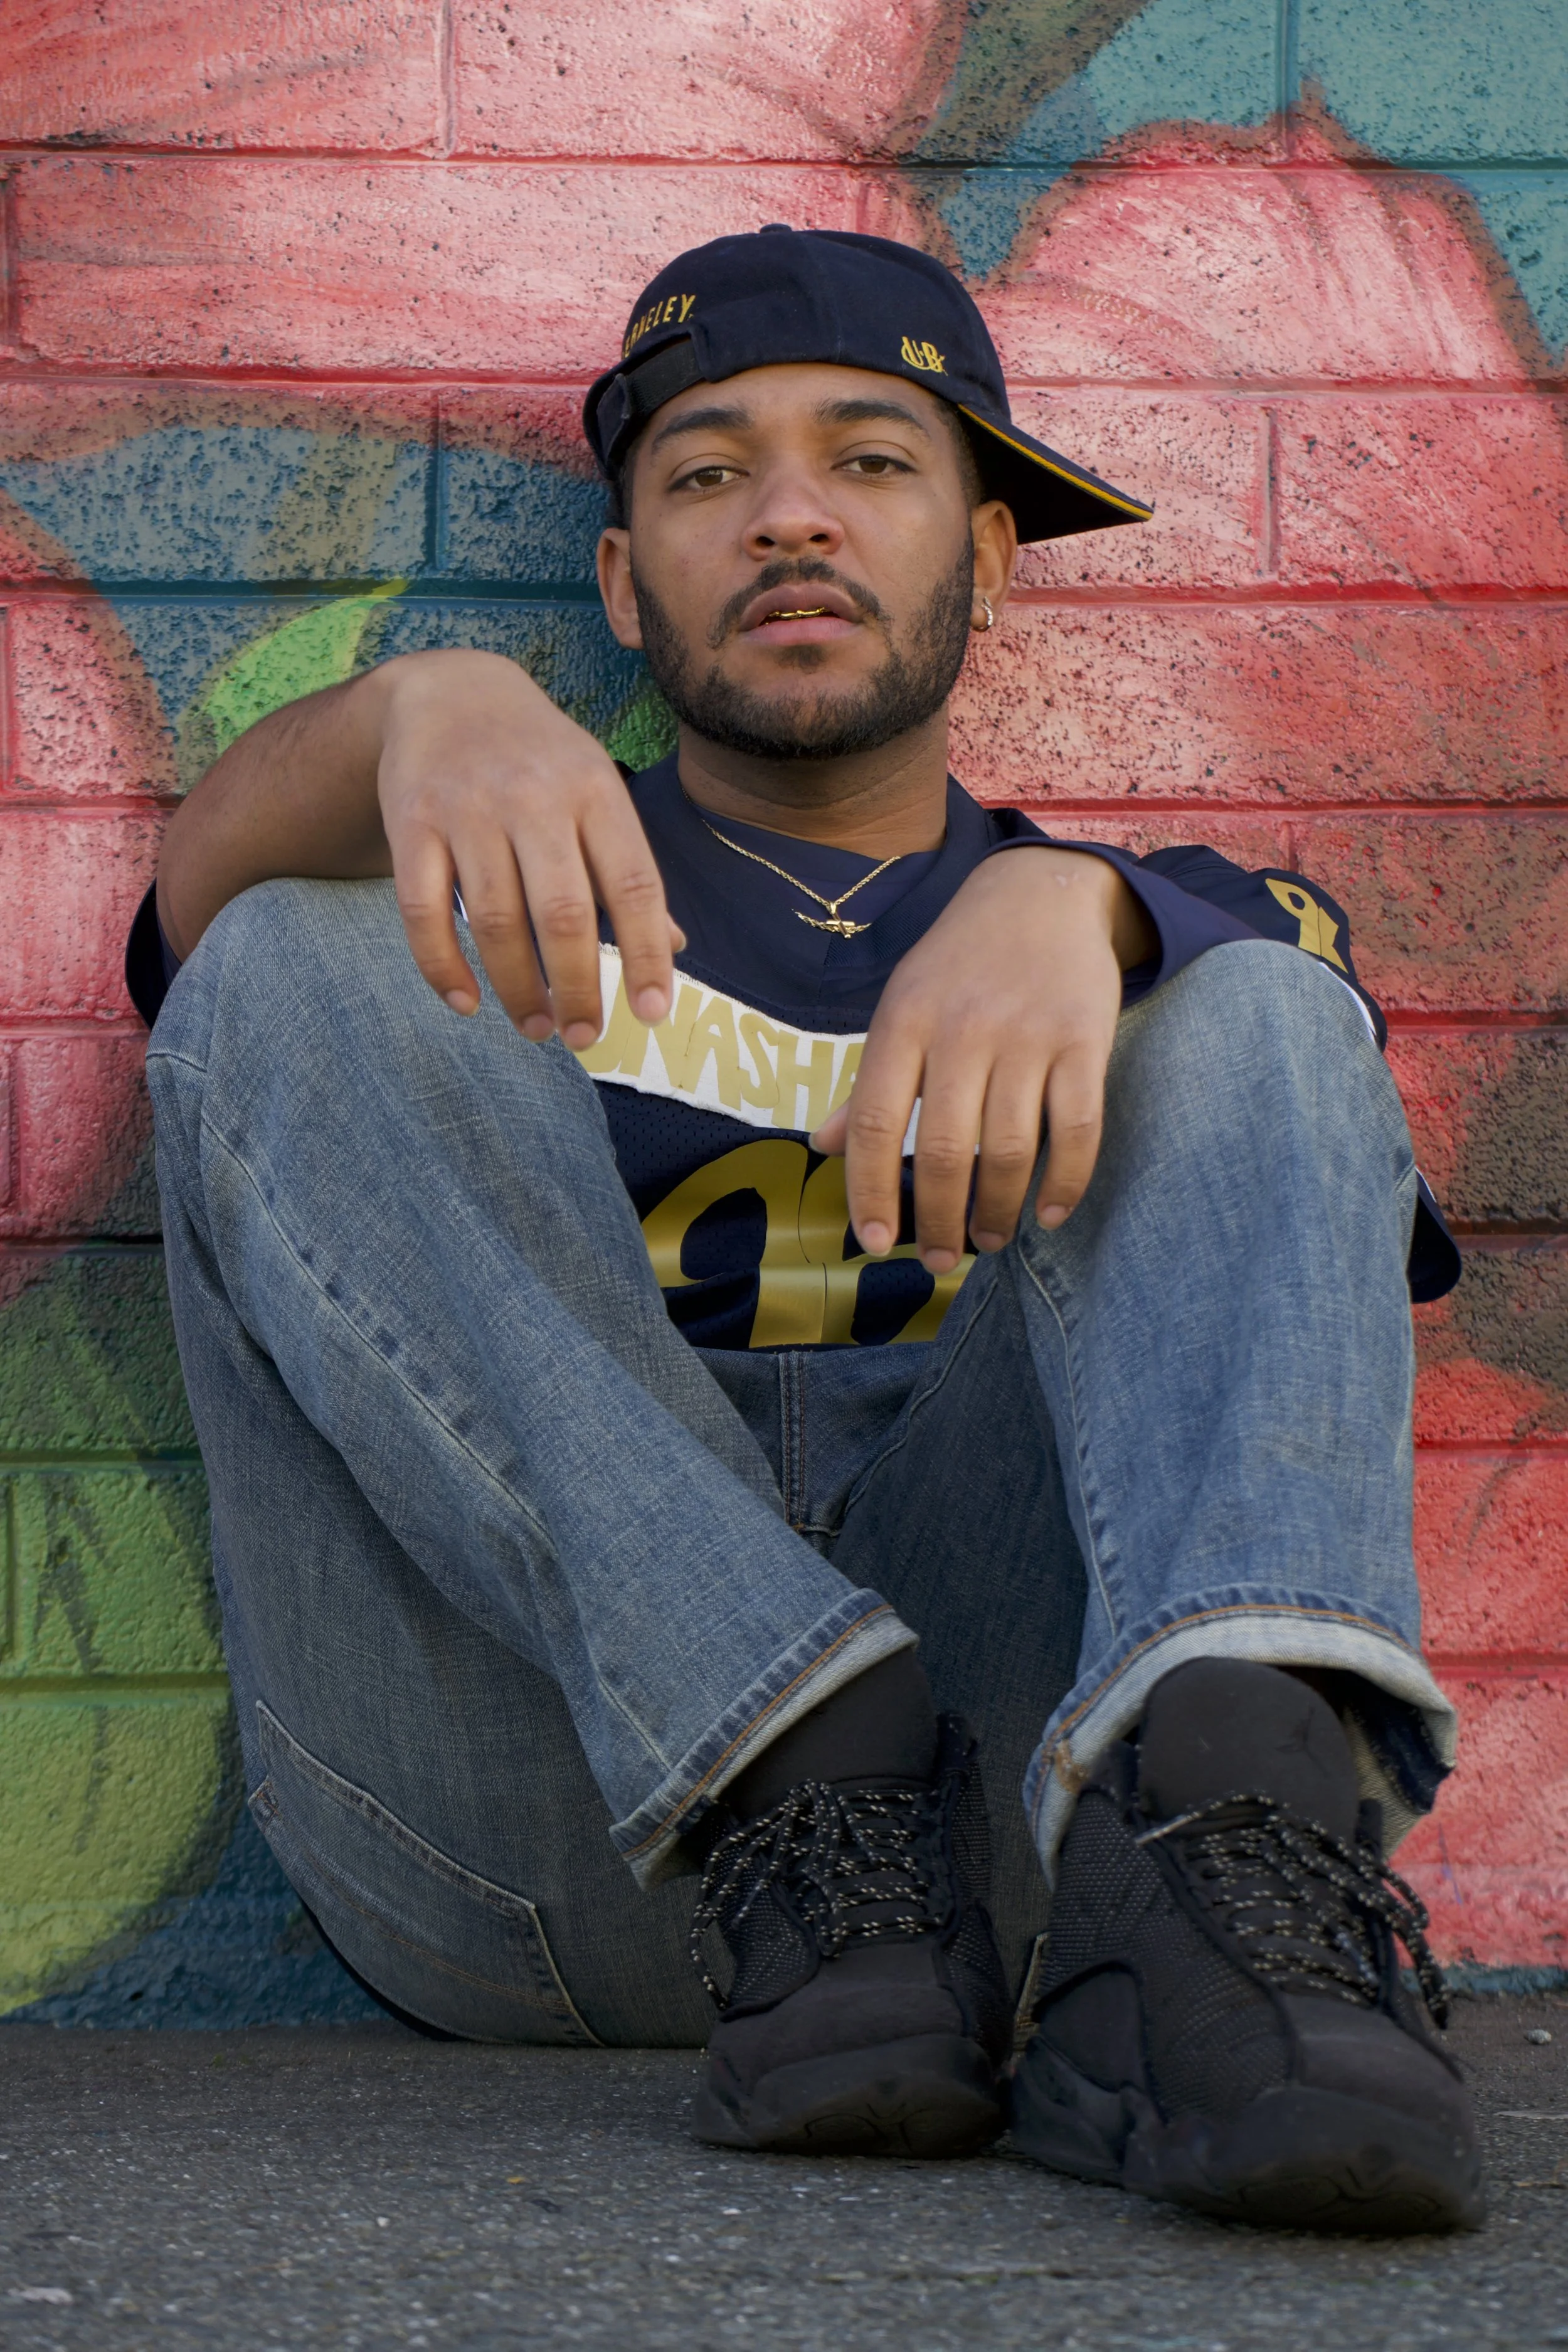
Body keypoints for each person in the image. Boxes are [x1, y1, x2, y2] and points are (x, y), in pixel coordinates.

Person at [126, 225, 1483, 2233]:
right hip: (541, 1832)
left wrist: (1094, 902)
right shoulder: (477, 880)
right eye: (706, 472)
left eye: (867, 459)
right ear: (621, 581)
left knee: (1260, 1007)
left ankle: (1235, 1842)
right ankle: (794, 1744)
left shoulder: (1169, 935)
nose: (787, 517)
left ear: (988, 554)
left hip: (1030, 1866)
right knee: (287, 961)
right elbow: (200, 917)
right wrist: (419, 710)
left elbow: (1288, 1090)